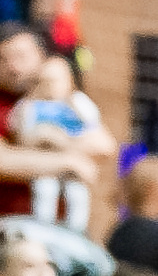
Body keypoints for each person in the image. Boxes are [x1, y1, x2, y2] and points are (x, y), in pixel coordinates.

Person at [0, 24, 116, 234]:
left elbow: (103, 146)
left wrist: (52, 139)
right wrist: (69, 161)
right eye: (3, 59)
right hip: (9, 228)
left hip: (67, 230)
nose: (13, 67)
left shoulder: (67, 104)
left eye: (21, 56)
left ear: (43, 58)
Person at [11, 52, 107, 233]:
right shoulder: (32, 106)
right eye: (45, 81)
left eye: (55, 81)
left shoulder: (76, 103)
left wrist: (64, 140)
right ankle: (43, 229)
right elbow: (21, 134)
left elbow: (99, 136)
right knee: (45, 190)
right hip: (44, 164)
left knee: (77, 194)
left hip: (73, 165)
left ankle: (76, 232)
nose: (50, 86)